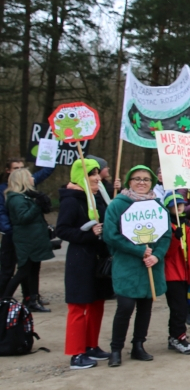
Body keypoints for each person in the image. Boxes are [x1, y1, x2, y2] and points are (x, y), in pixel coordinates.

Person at [103, 165, 171, 367]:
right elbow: (110, 235)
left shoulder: (157, 205)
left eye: (146, 179)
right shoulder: (117, 205)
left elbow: (165, 234)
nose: (142, 182)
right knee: (125, 307)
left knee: (145, 307)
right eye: (137, 179)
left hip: (151, 265)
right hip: (128, 264)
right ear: (129, 182)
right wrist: (138, 251)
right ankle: (116, 349)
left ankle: (138, 345)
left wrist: (157, 255)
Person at [55, 158, 112, 369]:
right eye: (92, 174)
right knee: (79, 306)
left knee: (97, 303)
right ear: (81, 176)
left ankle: (91, 345)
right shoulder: (72, 200)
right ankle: (76, 353)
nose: (97, 177)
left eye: (97, 173)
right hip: (80, 259)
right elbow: (62, 229)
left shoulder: (97, 198)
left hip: (98, 258)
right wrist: (87, 234)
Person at [0, 158, 54, 307]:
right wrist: (9, 231)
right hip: (21, 237)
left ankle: (31, 298)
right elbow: (21, 217)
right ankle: (5, 298)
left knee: (31, 270)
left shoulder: (25, 195)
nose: (33, 178)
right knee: (17, 271)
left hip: (30, 237)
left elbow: (45, 173)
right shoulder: (15, 197)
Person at [162, 193, 190, 354]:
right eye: (174, 205)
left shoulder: (188, 225)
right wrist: (174, 238)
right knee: (177, 307)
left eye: (181, 204)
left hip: (187, 272)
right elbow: (166, 253)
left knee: (184, 306)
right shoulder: (164, 226)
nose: (178, 207)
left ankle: (176, 336)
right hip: (172, 273)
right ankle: (178, 336)